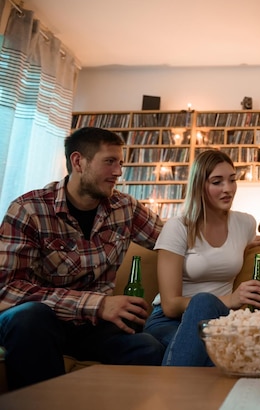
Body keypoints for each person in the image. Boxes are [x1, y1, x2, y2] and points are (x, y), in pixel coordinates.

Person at [0, 127, 165, 391]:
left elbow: (173, 239)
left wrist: (234, 238)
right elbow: (7, 290)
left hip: (92, 327)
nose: (118, 172)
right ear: (78, 161)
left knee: (148, 347)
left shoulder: (125, 208)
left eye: (120, 163)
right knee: (30, 319)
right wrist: (96, 304)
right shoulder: (29, 209)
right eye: (109, 162)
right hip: (40, 322)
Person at [144, 149, 260, 366]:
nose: (228, 189)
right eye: (217, 182)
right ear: (200, 185)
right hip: (170, 321)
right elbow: (170, 305)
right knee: (205, 313)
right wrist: (231, 300)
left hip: (219, 321)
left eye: (232, 180)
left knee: (220, 343)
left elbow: (230, 255)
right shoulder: (178, 227)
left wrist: (250, 248)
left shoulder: (245, 224)